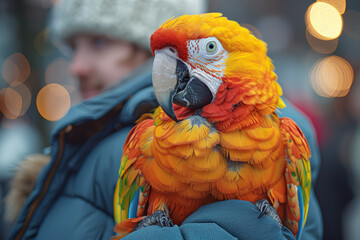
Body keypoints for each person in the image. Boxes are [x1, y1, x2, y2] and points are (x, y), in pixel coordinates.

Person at [7, 0, 322, 239]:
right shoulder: (139, 139)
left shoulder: (289, 141)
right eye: (72, 47)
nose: (76, 66)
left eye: (100, 42)